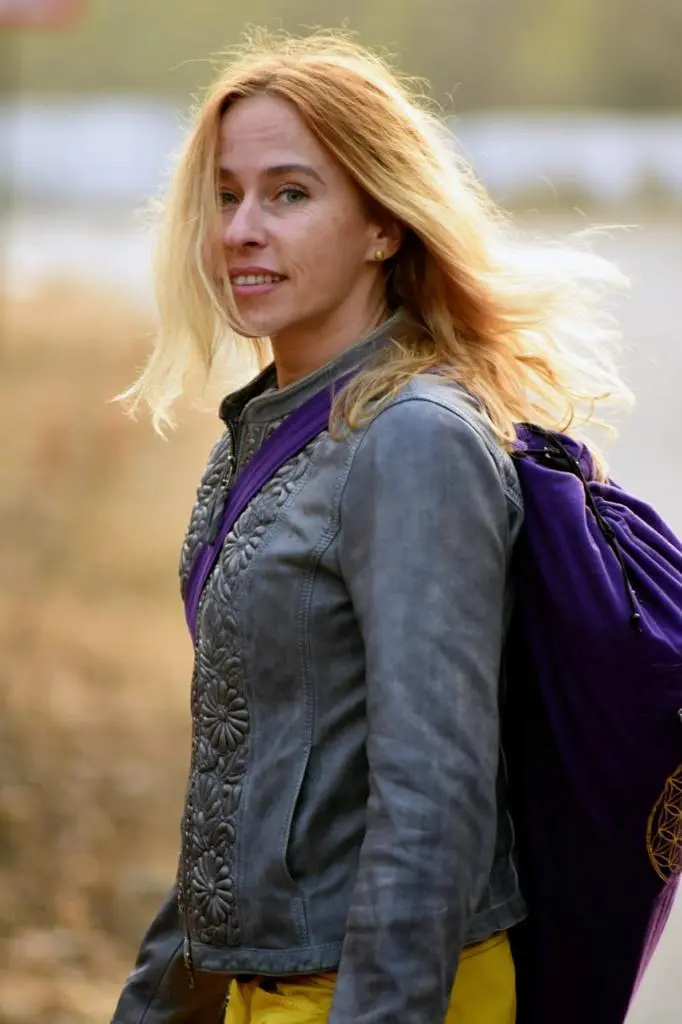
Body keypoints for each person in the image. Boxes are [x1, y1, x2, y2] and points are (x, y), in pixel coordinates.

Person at [111, 29, 631, 1024]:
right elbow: (243, 774)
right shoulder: (269, 427)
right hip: (265, 990)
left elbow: (433, 795)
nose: (241, 230)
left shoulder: (413, 437)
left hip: (378, 994)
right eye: (226, 195)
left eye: (288, 194)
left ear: (383, 226)